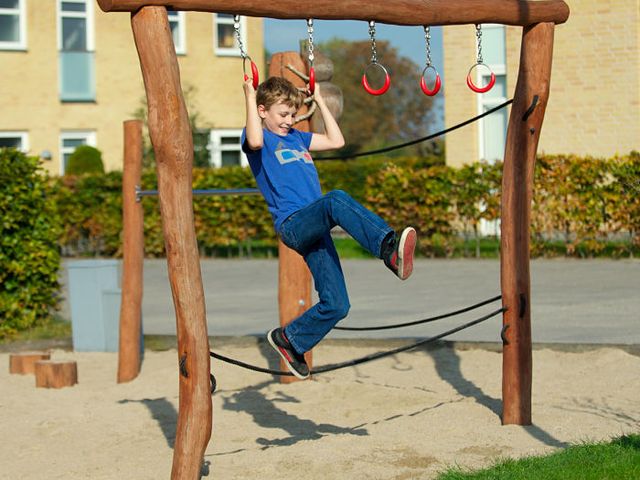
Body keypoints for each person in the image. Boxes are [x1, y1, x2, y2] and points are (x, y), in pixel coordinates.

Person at [242, 76, 417, 379]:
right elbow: (255, 140)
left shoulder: (297, 137)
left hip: (315, 227)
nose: (289, 120)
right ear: (262, 111)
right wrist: (248, 94)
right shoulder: (258, 138)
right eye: (282, 114)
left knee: (338, 304)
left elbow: (337, 141)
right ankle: (388, 249)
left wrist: (320, 101)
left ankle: (290, 341)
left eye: (292, 114)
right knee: (335, 200)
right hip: (294, 224)